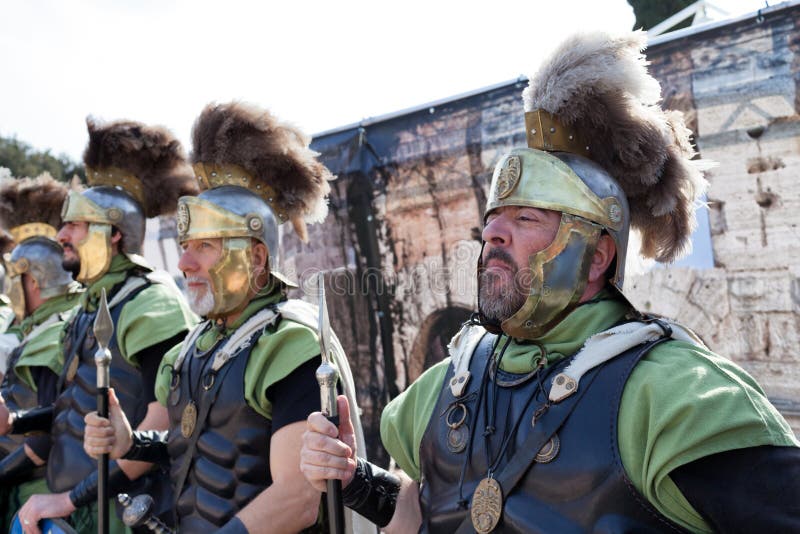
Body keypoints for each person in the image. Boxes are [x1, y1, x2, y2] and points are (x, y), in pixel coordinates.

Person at [299, 31, 800, 533]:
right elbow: (428, 507)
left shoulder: (672, 399)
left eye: (528, 218)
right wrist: (357, 478)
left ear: (597, 255)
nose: (493, 232)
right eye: (495, 217)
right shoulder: (446, 385)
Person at [83, 102, 372, 533]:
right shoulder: (191, 349)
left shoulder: (289, 343)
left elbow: (297, 497)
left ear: (256, 257)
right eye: (186, 246)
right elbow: (194, 450)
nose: (183, 263)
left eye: (205, 247)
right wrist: (133, 443)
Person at [10, 118, 198, 534]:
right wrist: (16, 421)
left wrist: (69, 497)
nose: (62, 235)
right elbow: (69, 412)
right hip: (76, 514)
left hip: (126, 515)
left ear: (112, 233)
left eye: (74, 225)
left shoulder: (152, 301)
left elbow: (160, 424)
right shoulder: (87, 309)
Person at [0, 174, 83, 526]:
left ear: (31, 280)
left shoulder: (55, 335)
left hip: (36, 503)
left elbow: (48, 437)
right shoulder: (38, 328)